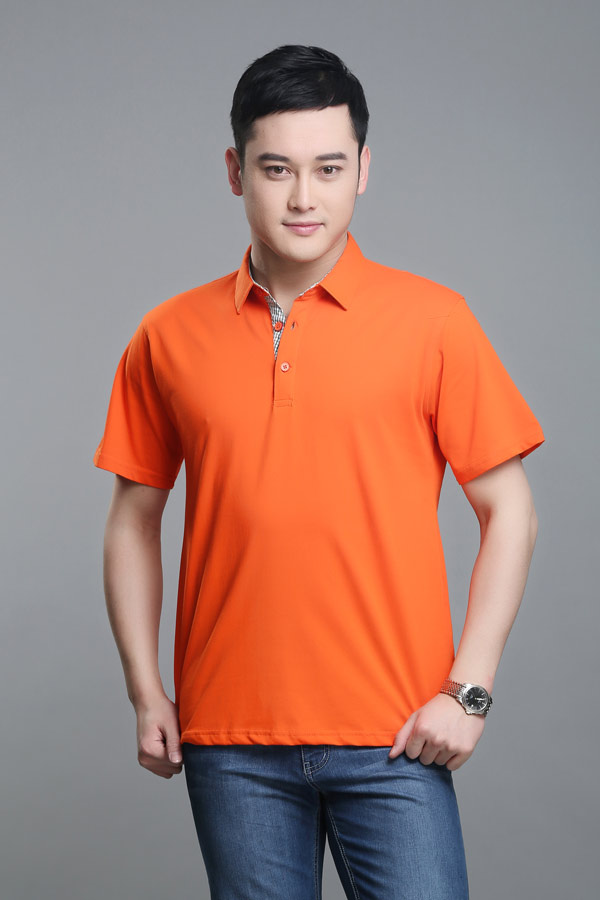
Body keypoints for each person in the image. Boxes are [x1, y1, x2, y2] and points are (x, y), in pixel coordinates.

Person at [93, 44, 545, 900]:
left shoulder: (435, 322)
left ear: (363, 170)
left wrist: (470, 692)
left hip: (397, 734)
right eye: (278, 169)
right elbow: (132, 519)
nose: (305, 197)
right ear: (236, 172)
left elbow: (510, 511)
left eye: (329, 168)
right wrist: (145, 691)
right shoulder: (166, 335)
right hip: (229, 742)